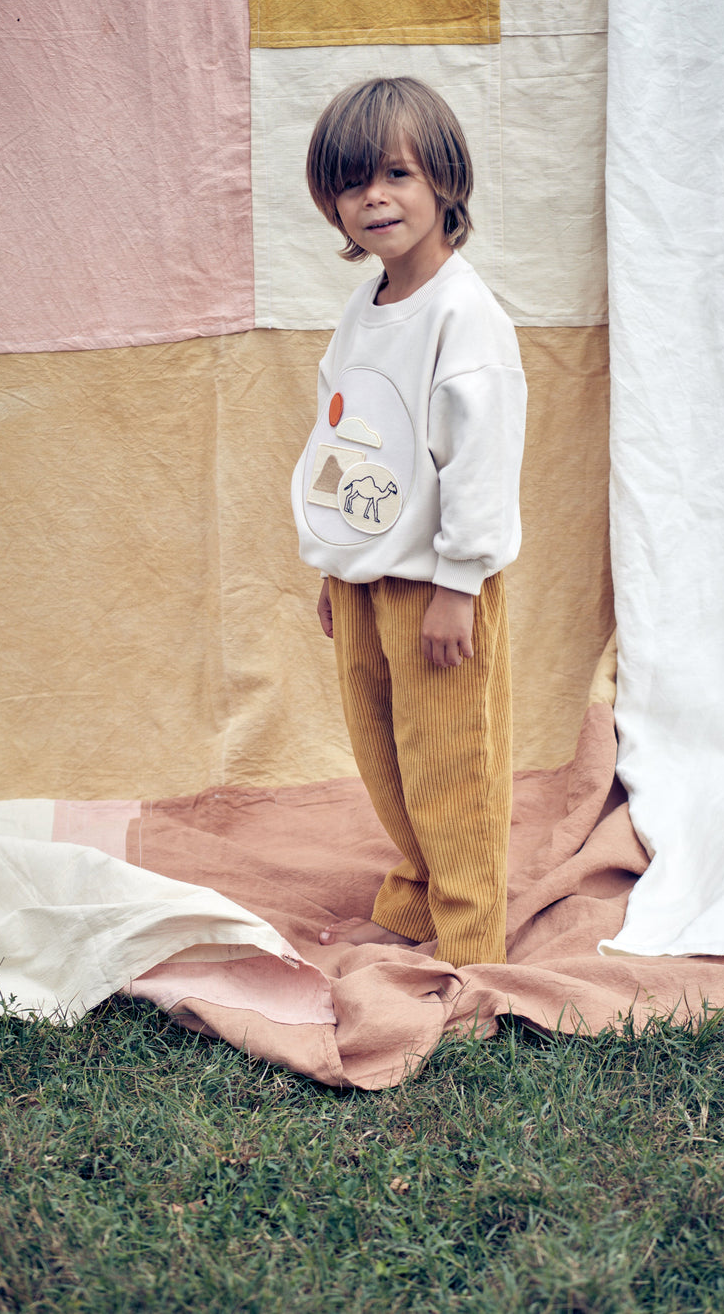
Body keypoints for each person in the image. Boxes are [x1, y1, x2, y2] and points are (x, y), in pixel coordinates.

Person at [291, 76, 526, 969]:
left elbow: (482, 459)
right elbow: (345, 437)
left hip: (438, 585)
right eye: (352, 183)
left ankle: (472, 944)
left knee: (450, 763)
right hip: (366, 572)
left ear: (444, 182)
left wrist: (459, 584)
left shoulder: (465, 316)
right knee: (384, 749)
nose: (374, 198)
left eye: (396, 174)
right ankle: (419, 900)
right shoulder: (368, 307)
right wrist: (332, 563)